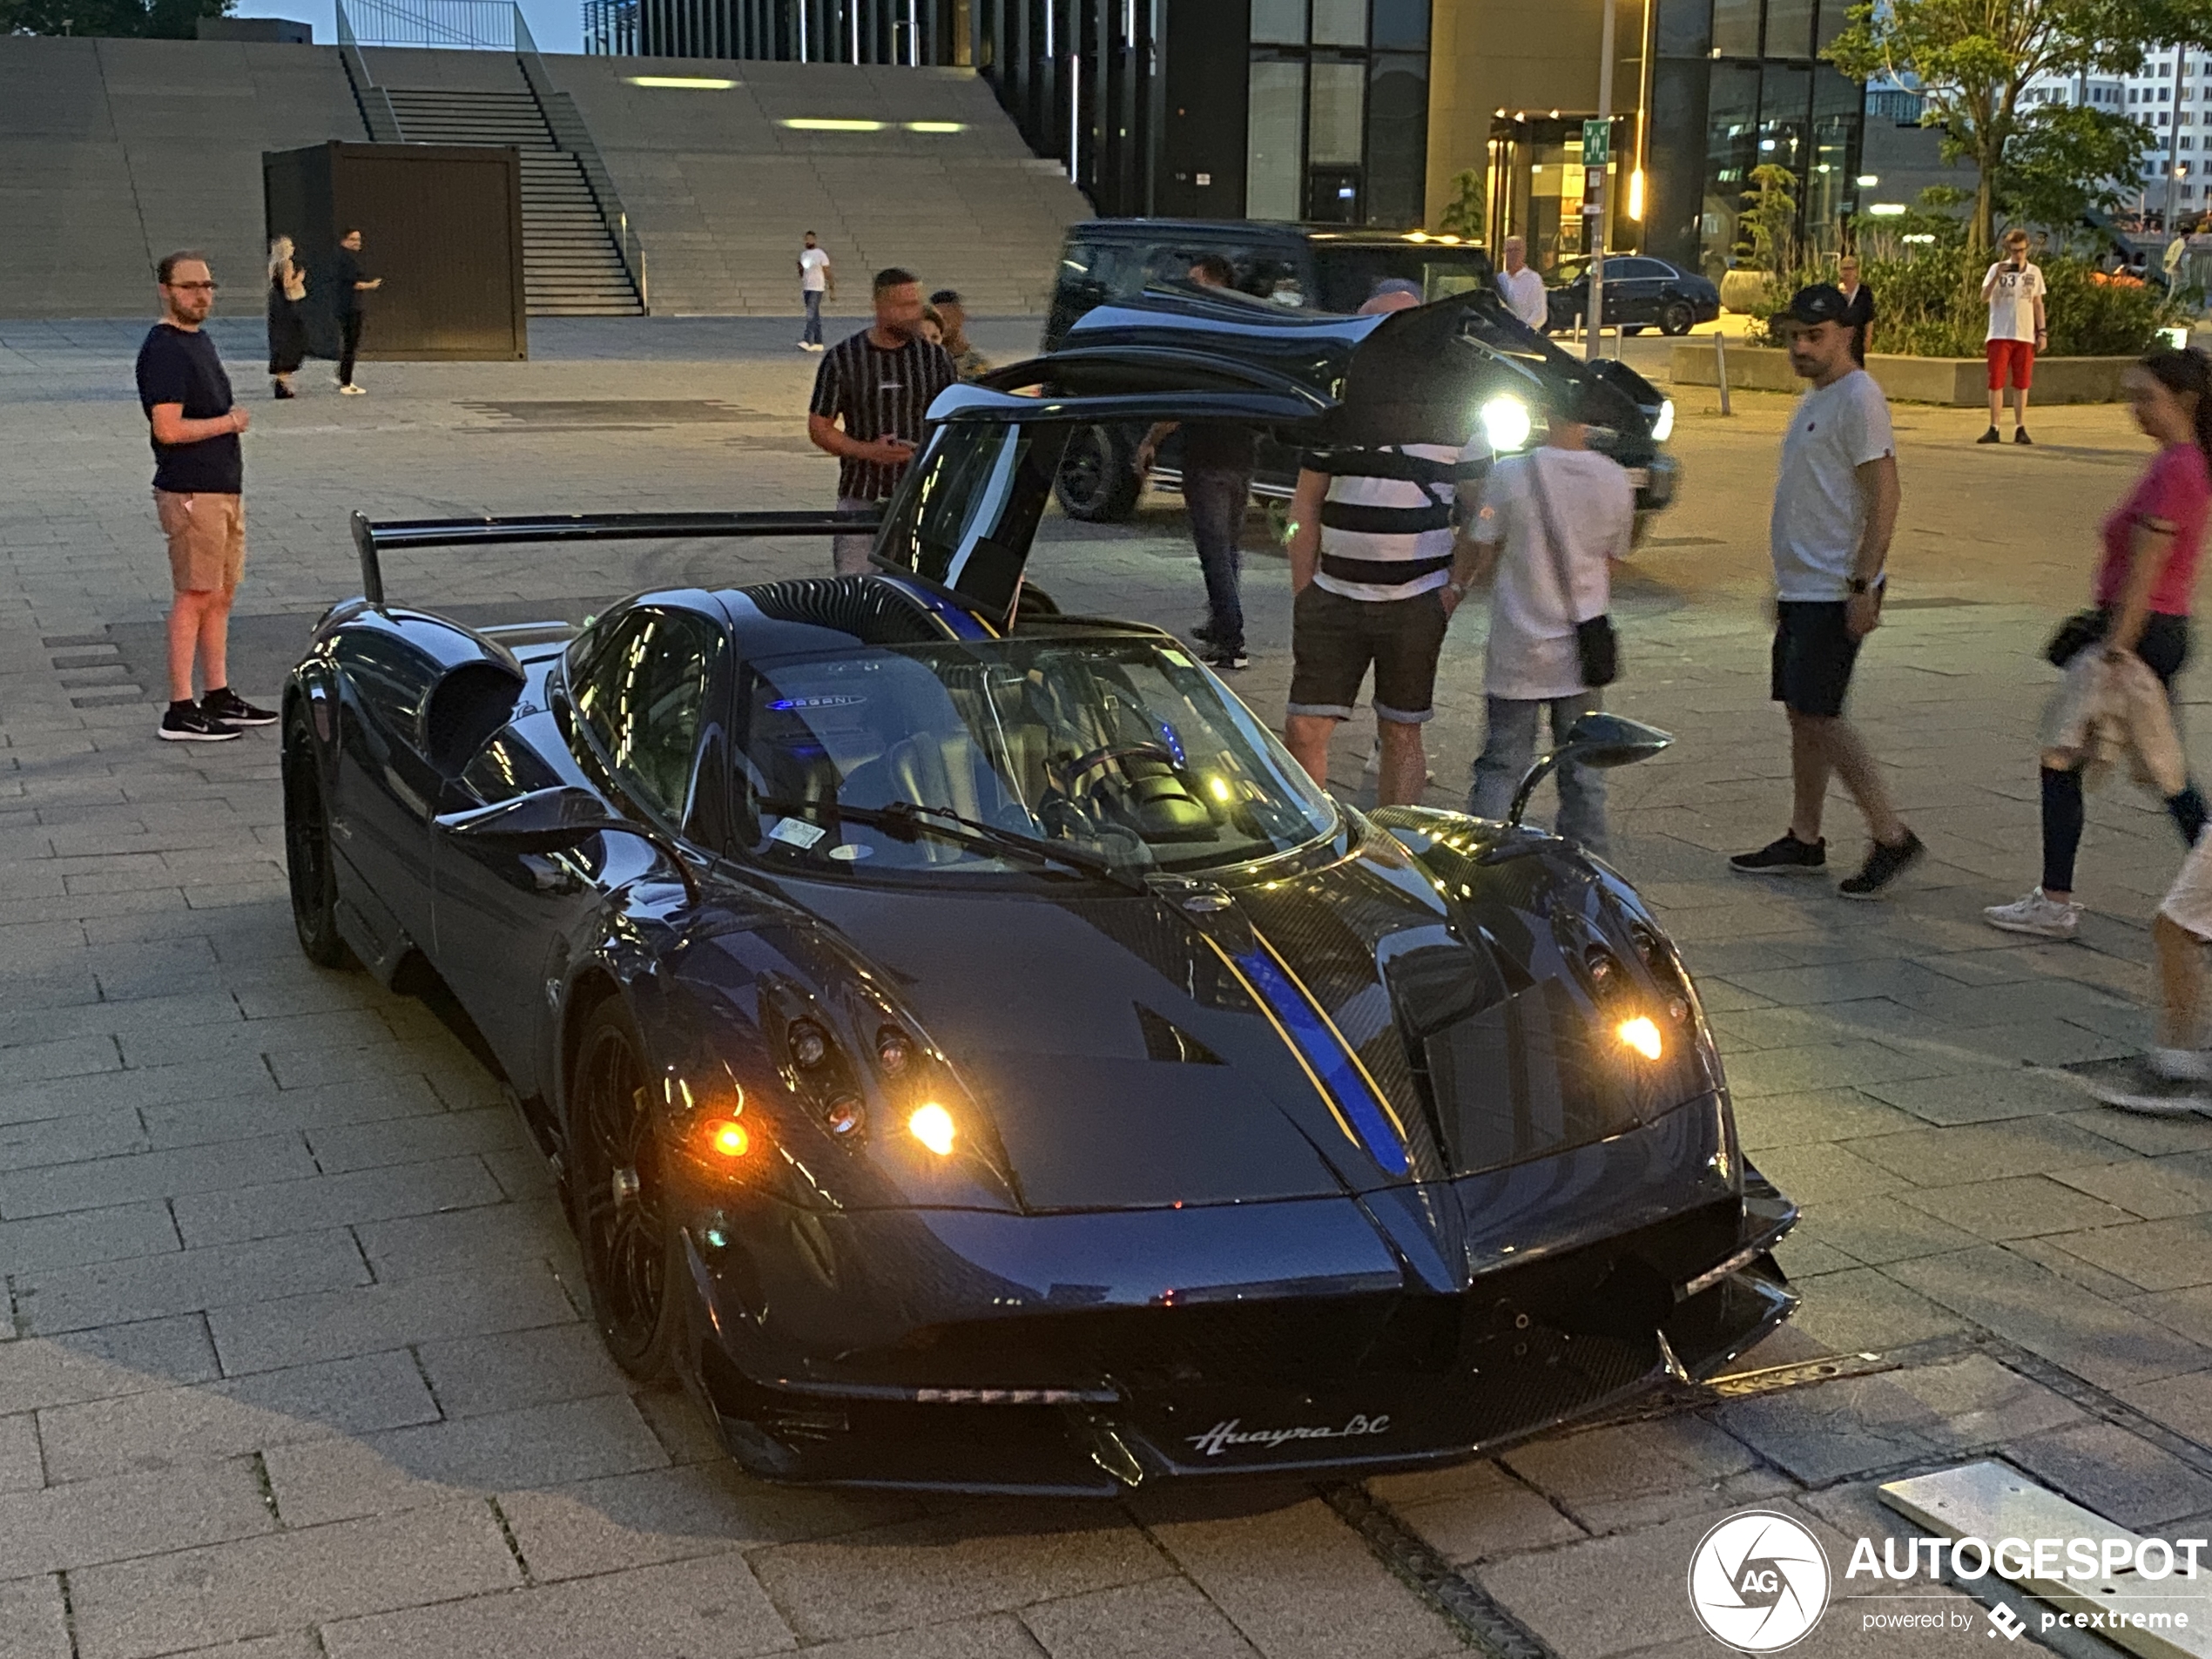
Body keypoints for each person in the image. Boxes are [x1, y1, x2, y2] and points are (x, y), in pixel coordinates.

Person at [1984, 349, 2212, 942]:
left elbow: (2148, 566)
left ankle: (2056, 899)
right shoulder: (2180, 462)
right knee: (2164, 775)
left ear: (2184, 402)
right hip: (2149, 634)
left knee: (2077, 759)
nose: (2136, 410)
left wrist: (2116, 648)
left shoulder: (2179, 469)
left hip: (2138, 636)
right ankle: (2057, 895)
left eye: (2147, 398)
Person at [1730, 284, 1921, 896]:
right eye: (1794, 337)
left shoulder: (1859, 398)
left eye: (1814, 336)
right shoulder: (1820, 398)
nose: (1802, 348)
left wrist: (1864, 582)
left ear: (1846, 334)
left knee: (1822, 713)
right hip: (1803, 585)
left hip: (1835, 586)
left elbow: (1883, 494)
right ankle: (1805, 834)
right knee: (1801, 712)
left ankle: (1891, 832)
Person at [1284, 284, 1487, 806]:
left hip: (1417, 600)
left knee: (1402, 730)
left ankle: (1397, 849)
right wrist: (1303, 585)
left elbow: (1484, 510)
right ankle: (1320, 841)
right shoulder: (1336, 409)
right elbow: (1304, 505)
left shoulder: (1460, 416)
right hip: (1333, 595)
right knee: (1305, 727)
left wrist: (1456, 587)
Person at [1459, 375, 1635, 854]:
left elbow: (1482, 543)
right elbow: (1614, 559)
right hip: (1582, 649)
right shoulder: (1614, 477)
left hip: (1519, 647)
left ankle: (1483, 860)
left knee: (1501, 765)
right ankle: (1590, 867)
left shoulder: (1511, 474)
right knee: (1583, 771)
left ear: (1544, 414)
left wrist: (1456, 587)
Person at [137, 252, 273, 743]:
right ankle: (179, 707)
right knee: (194, 595)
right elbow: (167, 429)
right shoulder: (165, 349)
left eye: (208, 285)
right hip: (192, 489)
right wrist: (230, 422)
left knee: (220, 594)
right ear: (166, 290)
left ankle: (217, 693)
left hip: (221, 487)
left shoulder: (197, 340)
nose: (201, 295)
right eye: (190, 286)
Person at [1136, 254, 1252, 671]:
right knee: (1229, 547)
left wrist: (1151, 439)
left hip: (1207, 457)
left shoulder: (1205, 333)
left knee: (1214, 550)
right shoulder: (1244, 330)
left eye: (1194, 281)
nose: (1187, 289)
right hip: (1240, 454)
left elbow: (1182, 400)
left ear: (1212, 284)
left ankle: (1230, 641)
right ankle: (1222, 623)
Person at [806, 267, 958, 575]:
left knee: (921, 588)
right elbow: (819, 427)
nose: (914, 313)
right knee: (856, 585)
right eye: (903, 306)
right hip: (863, 494)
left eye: (916, 304)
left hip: (922, 494)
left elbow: (953, 419)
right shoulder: (843, 359)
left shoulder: (935, 359)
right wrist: (869, 451)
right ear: (879, 306)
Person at [1980, 227, 2047, 445]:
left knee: (2022, 383)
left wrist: (2042, 331)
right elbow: (1984, 297)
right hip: (2000, 332)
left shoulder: (2034, 272)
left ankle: (2020, 426)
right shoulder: (1996, 269)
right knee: (1996, 382)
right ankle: (1994, 426)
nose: (2019, 255)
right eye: (2015, 250)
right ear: (2008, 249)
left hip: (2024, 334)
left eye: (2022, 250)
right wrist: (1997, 277)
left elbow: (2037, 303)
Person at [333, 228, 381, 395]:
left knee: (348, 343)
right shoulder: (346, 260)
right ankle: (346, 381)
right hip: (350, 306)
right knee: (350, 344)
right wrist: (372, 285)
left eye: (359, 239)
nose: (357, 243)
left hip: (347, 305)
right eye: (353, 239)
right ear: (344, 241)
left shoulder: (344, 258)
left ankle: (343, 376)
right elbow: (356, 284)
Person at [266, 236, 307, 399]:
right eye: (290, 246)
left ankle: (282, 380)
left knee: (281, 339)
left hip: (277, 304)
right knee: (292, 339)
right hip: (286, 305)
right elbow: (287, 284)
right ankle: (283, 381)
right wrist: (299, 278)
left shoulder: (273, 264)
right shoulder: (287, 264)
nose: (293, 248)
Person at [929, 288, 990, 379]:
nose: (942, 325)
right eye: (937, 319)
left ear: (960, 317)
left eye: (947, 318)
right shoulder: (927, 360)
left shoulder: (975, 364)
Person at [1496, 235, 1549, 334]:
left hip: (1524, 339)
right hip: (1502, 337)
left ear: (1524, 253)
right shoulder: (1500, 279)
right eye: (1509, 250)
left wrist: (1521, 330)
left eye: (1516, 250)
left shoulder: (1533, 279)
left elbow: (1540, 315)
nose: (1513, 254)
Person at [1837, 253, 1875, 365]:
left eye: (1850, 268)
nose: (1847, 272)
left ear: (1856, 270)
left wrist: (1868, 338)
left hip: (1857, 339)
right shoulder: (1836, 292)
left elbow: (1869, 317)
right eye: (1844, 268)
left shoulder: (1865, 291)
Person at [799, 232, 833, 352]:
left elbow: (827, 271)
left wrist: (832, 287)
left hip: (817, 288)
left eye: (811, 239)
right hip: (807, 287)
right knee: (815, 316)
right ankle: (819, 342)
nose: (808, 241)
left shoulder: (820, 254)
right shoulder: (804, 255)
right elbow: (803, 271)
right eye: (806, 239)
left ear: (815, 240)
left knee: (811, 313)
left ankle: (807, 340)